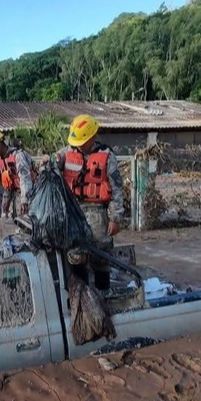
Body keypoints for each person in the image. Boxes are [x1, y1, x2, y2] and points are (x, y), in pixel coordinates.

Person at [55, 114, 124, 291]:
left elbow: (116, 188)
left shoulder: (107, 156)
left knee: (100, 256)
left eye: (83, 141)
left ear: (92, 137)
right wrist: (50, 163)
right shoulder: (65, 153)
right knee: (75, 255)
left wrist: (115, 218)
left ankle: (103, 295)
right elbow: (52, 168)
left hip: (97, 213)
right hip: (73, 212)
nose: (78, 146)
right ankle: (81, 296)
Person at [0, 130, 35, 218]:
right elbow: (7, 185)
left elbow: (25, 179)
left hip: (32, 195)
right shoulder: (0, 161)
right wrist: (5, 206)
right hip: (17, 196)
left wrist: (24, 200)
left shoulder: (18, 156)